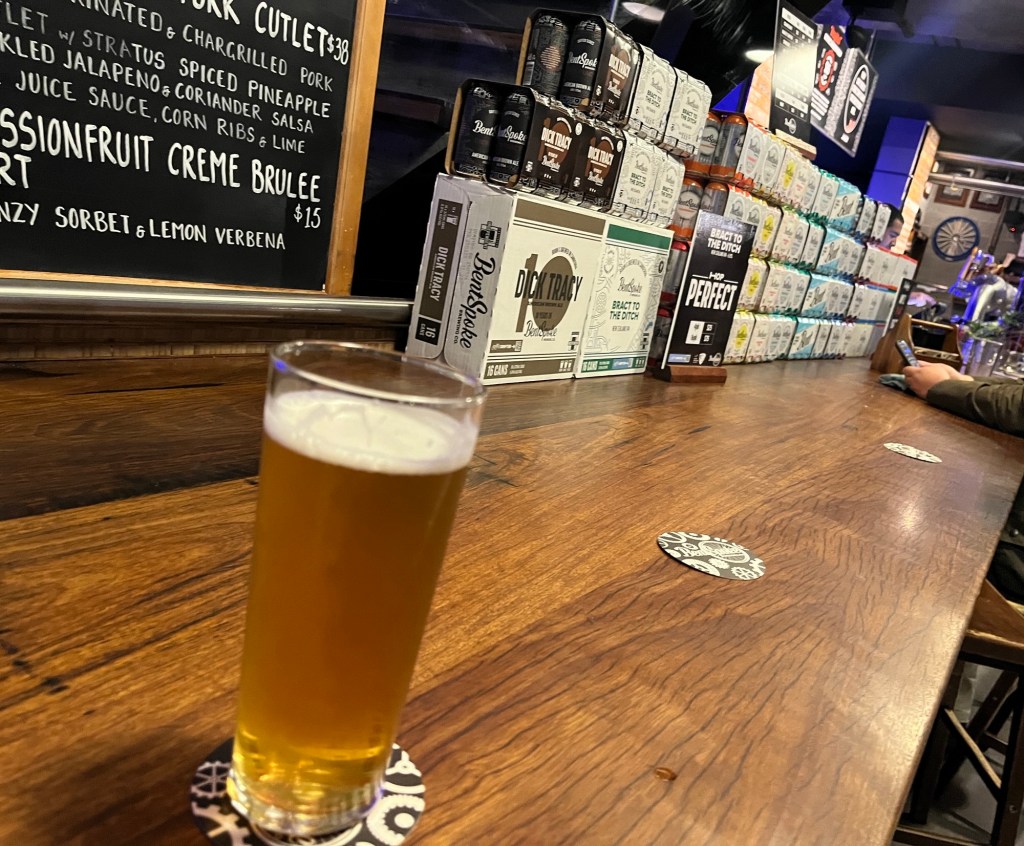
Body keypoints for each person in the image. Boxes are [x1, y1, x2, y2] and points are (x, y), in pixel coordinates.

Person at [903, 362, 1024, 601]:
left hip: (1014, 565)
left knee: (908, 545)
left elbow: (1018, 408)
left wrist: (941, 387)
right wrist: (964, 382)